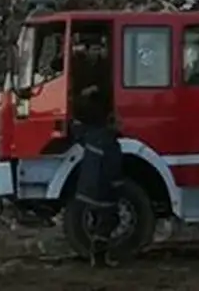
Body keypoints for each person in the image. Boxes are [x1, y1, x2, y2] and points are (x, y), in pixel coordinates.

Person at [73, 86, 124, 267]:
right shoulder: (112, 144)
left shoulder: (90, 135)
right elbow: (113, 171)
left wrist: (83, 96)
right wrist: (118, 189)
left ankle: (97, 255)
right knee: (110, 219)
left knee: (98, 218)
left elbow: (77, 128)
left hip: (87, 188)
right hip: (102, 190)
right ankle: (100, 257)